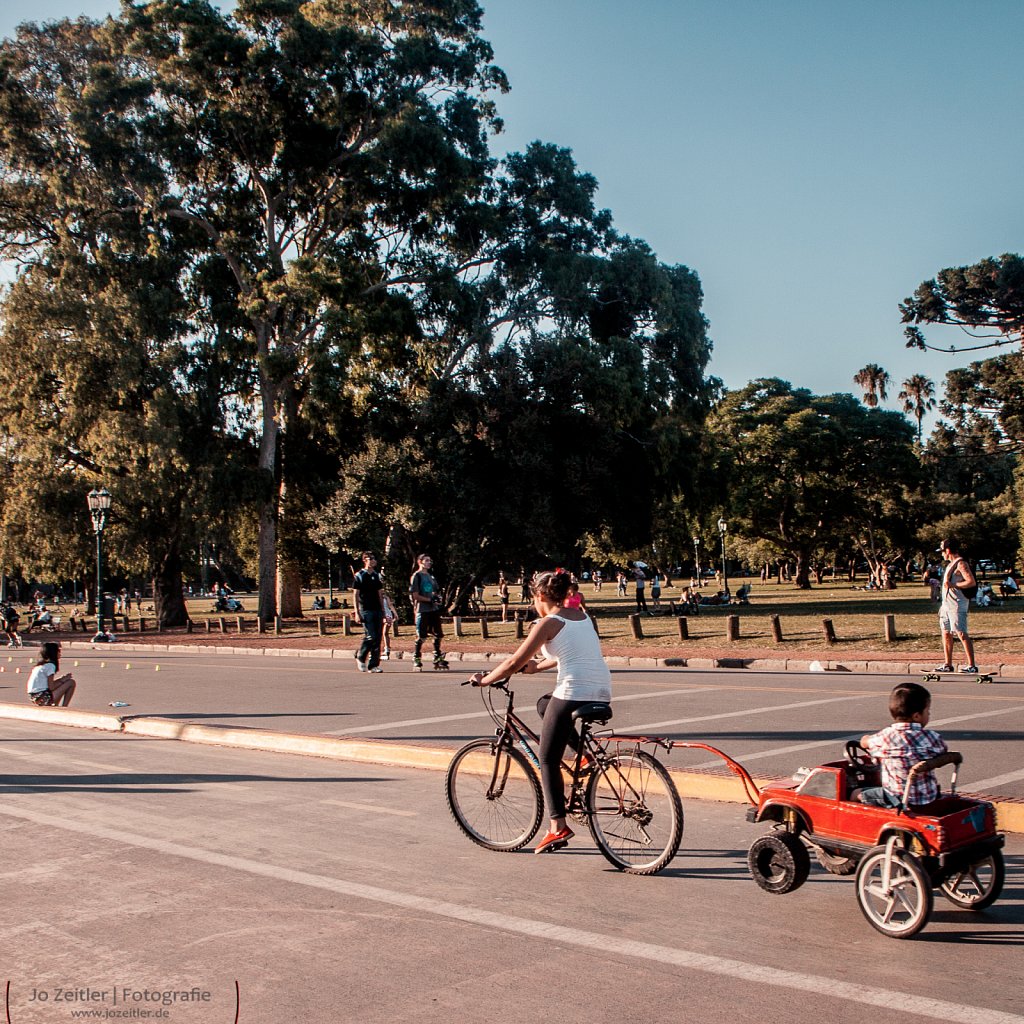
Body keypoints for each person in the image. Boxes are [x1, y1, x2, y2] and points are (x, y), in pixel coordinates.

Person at [470, 569, 611, 854]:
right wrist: (537, 667)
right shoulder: (582, 617)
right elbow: (571, 654)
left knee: (547, 759)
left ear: (540, 596)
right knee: (544, 704)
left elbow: (511, 663)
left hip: (573, 693)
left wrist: (484, 679)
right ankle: (585, 756)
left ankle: (557, 826)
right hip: (602, 691)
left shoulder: (547, 623)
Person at [857, 682, 957, 808]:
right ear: (916, 716)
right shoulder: (933, 738)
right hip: (929, 796)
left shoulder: (885, 737)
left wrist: (865, 740)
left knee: (856, 794)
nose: (929, 714)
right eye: (928, 711)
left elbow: (864, 742)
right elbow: (943, 750)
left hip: (897, 798)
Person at [934, 537, 978, 673]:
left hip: (957, 604)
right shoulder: (950, 564)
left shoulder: (961, 564)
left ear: (948, 550)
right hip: (947, 605)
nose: (942, 554)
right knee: (946, 633)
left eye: (942, 551)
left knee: (961, 633)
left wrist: (954, 585)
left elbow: (971, 582)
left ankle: (972, 665)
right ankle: (948, 664)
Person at [409, 554, 447, 670]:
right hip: (422, 610)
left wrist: (437, 598)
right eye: (426, 560)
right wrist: (429, 599)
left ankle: (437, 656)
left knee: (438, 634)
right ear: (420, 562)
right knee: (421, 635)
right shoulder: (417, 576)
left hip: (433, 609)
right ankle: (416, 657)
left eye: (430, 560)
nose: (429, 562)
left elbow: (434, 591)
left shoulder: (431, 577)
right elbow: (415, 595)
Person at [352, 552, 385, 673]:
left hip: (377, 609)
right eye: (370, 558)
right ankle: (361, 656)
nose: (373, 561)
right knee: (370, 636)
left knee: (377, 638)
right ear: (365, 560)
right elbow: (355, 594)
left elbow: (380, 593)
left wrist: (384, 610)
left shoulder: (376, 575)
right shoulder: (360, 575)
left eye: (374, 558)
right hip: (365, 609)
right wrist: (357, 611)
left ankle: (373, 664)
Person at [27, 641, 77, 707]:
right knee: (71, 682)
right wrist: (63, 680)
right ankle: (64, 707)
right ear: (54, 653)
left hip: (35, 696)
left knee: (65, 682)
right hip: (42, 697)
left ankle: (55, 705)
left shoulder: (40, 666)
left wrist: (61, 679)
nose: (60, 653)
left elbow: (48, 685)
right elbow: (51, 687)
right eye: (58, 651)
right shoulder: (50, 666)